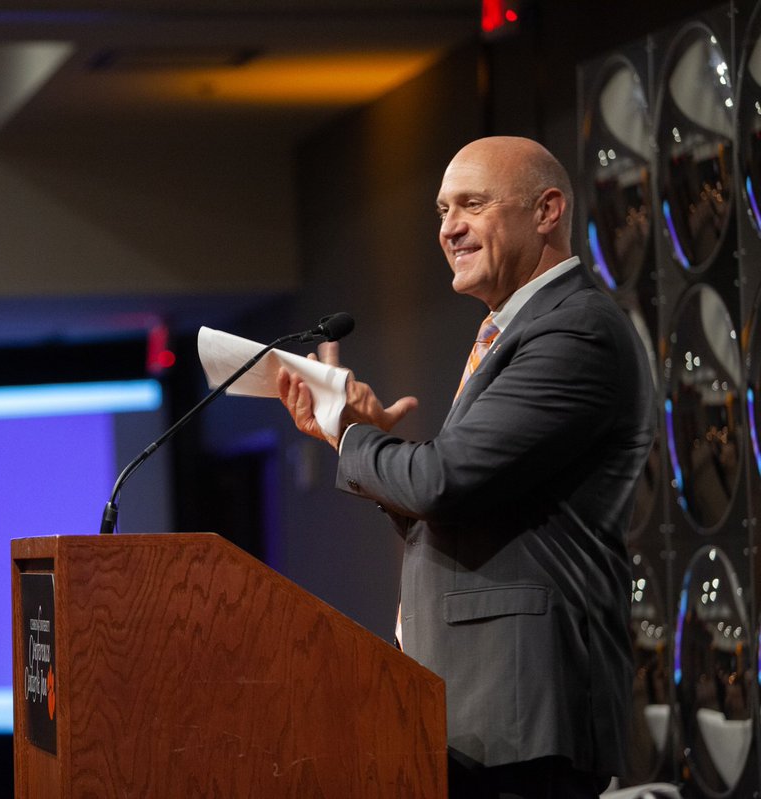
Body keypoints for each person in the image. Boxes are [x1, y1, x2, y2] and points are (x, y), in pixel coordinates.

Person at [278, 136, 655, 798]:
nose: (449, 227)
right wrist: (354, 437)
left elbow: (442, 481)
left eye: (472, 204)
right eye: (442, 209)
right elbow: (467, 508)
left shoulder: (573, 331)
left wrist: (347, 433)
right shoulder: (510, 331)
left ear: (547, 210)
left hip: (525, 711)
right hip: (484, 711)